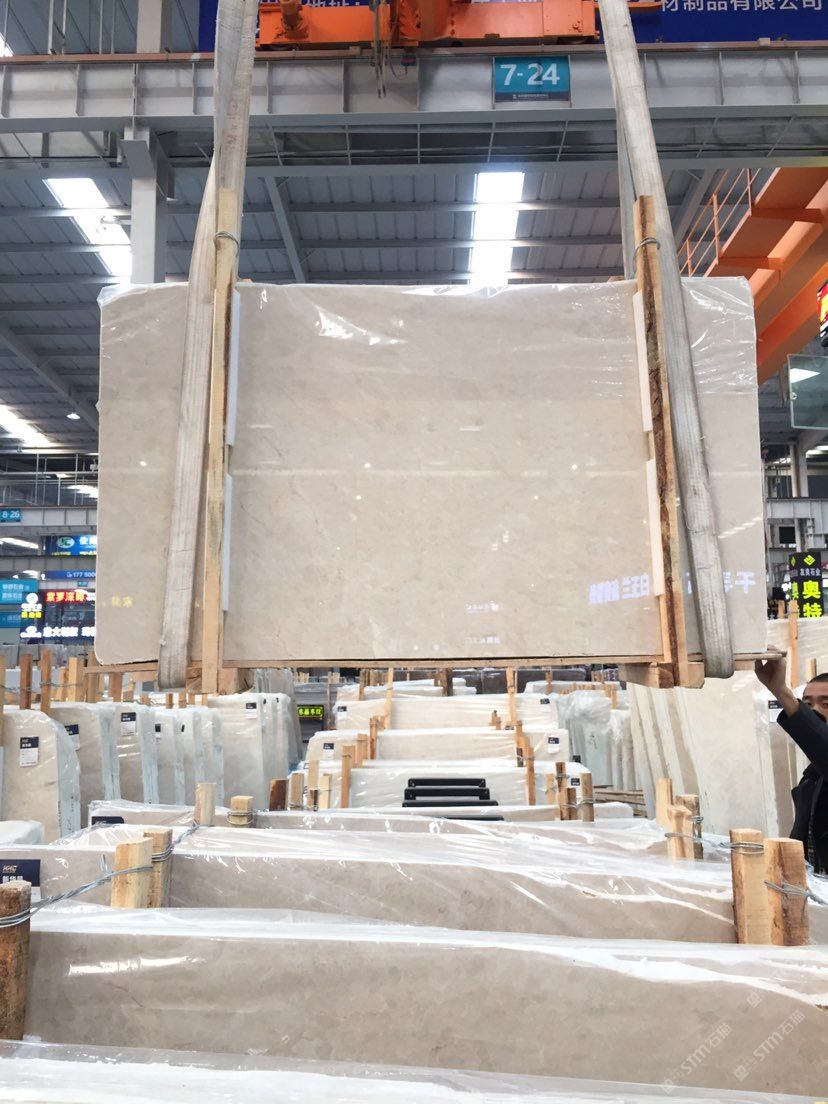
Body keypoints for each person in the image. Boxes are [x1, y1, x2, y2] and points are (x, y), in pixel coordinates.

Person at [755, 653, 828, 873]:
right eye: (807, 704)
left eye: (826, 703)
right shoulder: (812, 776)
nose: (815, 710)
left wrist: (781, 691)